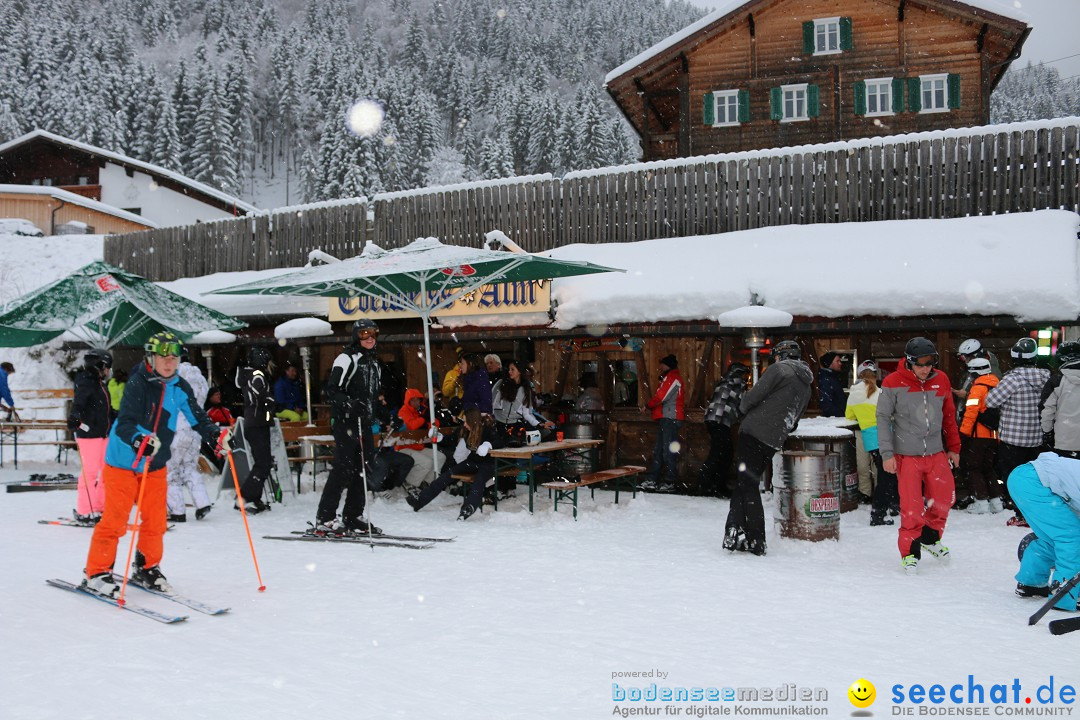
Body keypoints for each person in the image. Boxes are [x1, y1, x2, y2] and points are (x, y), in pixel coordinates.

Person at [81, 331, 226, 598]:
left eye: (174, 357)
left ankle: (147, 567)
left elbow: (197, 417)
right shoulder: (138, 383)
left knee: (156, 521)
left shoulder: (179, 386)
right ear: (151, 357)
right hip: (124, 462)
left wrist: (216, 436)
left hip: (156, 464)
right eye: (163, 356)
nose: (169, 362)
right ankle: (97, 571)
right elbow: (124, 423)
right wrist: (139, 440)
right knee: (115, 521)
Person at [877, 337, 961, 574]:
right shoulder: (893, 382)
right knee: (911, 507)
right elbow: (883, 419)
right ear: (910, 362)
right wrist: (887, 454)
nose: (925, 369)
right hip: (907, 455)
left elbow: (949, 416)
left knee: (945, 499)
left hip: (936, 453)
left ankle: (930, 538)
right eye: (920, 364)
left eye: (929, 363)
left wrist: (954, 448)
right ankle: (909, 553)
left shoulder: (941, 380)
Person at [723, 340, 813, 556]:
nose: (774, 359)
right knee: (746, 482)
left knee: (748, 485)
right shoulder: (806, 386)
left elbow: (754, 396)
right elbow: (794, 421)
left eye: (775, 356)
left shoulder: (779, 370)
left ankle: (756, 540)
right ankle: (734, 531)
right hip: (773, 440)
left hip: (754, 433)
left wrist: (742, 406)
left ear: (782, 355)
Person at [315, 318, 383, 535]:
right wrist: (349, 403)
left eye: (373, 334)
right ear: (356, 336)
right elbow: (332, 390)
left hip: (365, 424)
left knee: (364, 469)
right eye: (364, 334)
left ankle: (353, 515)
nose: (369, 338)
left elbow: (372, 396)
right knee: (343, 468)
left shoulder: (373, 362)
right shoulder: (346, 359)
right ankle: (324, 517)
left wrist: (381, 413)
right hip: (346, 423)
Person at [985, 337, 1050, 527]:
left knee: (1014, 479)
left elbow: (991, 401)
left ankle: (1021, 515)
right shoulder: (1046, 376)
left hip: (1014, 440)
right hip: (1038, 439)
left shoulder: (1012, 379)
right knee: (1037, 479)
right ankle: (1036, 513)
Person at [1008, 452, 1080, 612]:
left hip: (1022, 478)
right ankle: (1063, 595)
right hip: (1036, 482)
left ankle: (1031, 583)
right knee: (1071, 539)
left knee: (1052, 539)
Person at [407, 408, 503, 520]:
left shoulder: (487, 429)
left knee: (479, 481)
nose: (465, 424)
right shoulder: (465, 430)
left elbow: (499, 441)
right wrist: (440, 437)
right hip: (472, 462)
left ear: (473, 421)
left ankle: (468, 508)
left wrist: (488, 445)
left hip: (488, 464)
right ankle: (420, 500)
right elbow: (452, 439)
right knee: (447, 475)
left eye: (467, 421)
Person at [845, 359, 899, 526]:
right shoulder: (881, 392)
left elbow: (849, 416)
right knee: (888, 475)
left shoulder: (854, 394)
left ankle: (886, 507)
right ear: (875, 376)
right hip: (888, 437)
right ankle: (882, 511)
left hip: (871, 439)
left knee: (886, 475)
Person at [166, 353, 213, 522]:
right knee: (189, 467)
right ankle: (202, 503)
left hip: (177, 427)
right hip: (195, 428)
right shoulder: (200, 378)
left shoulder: (174, 374)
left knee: (169, 470)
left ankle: (177, 511)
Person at [68, 349, 113, 524]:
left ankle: (99, 507)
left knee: (106, 472)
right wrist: (75, 417)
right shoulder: (86, 382)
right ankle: (86, 511)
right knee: (90, 472)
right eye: (107, 367)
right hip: (89, 434)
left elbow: (103, 408)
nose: (108, 371)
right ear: (99, 366)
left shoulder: (100, 383)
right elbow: (79, 402)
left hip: (103, 433)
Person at [700, 362, 750, 498]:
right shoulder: (737, 383)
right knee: (722, 454)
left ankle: (709, 485)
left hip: (712, 419)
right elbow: (743, 405)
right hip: (721, 420)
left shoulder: (725, 380)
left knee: (719, 453)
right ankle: (710, 485)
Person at [235, 346, 276, 513]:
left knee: (263, 462)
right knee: (263, 463)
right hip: (257, 423)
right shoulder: (257, 375)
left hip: (254, 422)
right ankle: (244, 497)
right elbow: (260, 398)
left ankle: (254, 497)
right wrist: (271, 403)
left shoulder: (248, 374)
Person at [959, 357, 1002, 514]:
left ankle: (981, 502)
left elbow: (970, 414)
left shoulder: (977, 389)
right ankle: (996, 502)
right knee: (988, 468)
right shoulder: (997, 385)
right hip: (994, 436)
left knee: (973, 468)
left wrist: (963, 434)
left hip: (978, 436)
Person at [642, 354, 685, 492]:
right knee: (660, 450)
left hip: (670, 417)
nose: (660, 366)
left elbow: (661, 396)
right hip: (667, 417)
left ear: (668, 365)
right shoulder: (670, 377)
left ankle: (669, 481)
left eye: (662, 364)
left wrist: (648, 406)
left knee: (666, 450)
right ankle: (654, 480)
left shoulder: (672, 377)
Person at [394, 387, 444, 489]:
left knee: (440, 457)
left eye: (418, 400)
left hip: (417, 446)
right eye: (414, 400)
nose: (417, 402)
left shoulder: (419, 412)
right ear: (409, 401)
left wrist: (430, 421)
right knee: (426, 462)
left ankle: (426, 482)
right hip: (403, 447)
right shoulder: (403, 412)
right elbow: (411, 425)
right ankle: (410, 483)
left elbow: (434, 424)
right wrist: (423, 419)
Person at [492, 359, 555, 437]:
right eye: (509, 369)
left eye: (512, 369)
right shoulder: (500, 384)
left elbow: (527, 413)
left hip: (514, 426)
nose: (509, 372)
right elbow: (491, 403)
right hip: (498, 424)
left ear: (519, 371)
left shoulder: (526, 389)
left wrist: (539, 424)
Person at [1040, 340, 1080, 460]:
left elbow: (1047, 409)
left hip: (1064, 440)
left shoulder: (1056, 380)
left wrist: (1047, 432)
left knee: (1065, 476)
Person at [817, 351, 847, 417]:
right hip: (833, 420)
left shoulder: (833, 378)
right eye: (837, 361)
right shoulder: (825, 379)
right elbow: (826, 403)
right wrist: (839, 414)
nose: (840, 363)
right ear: (829, 363)